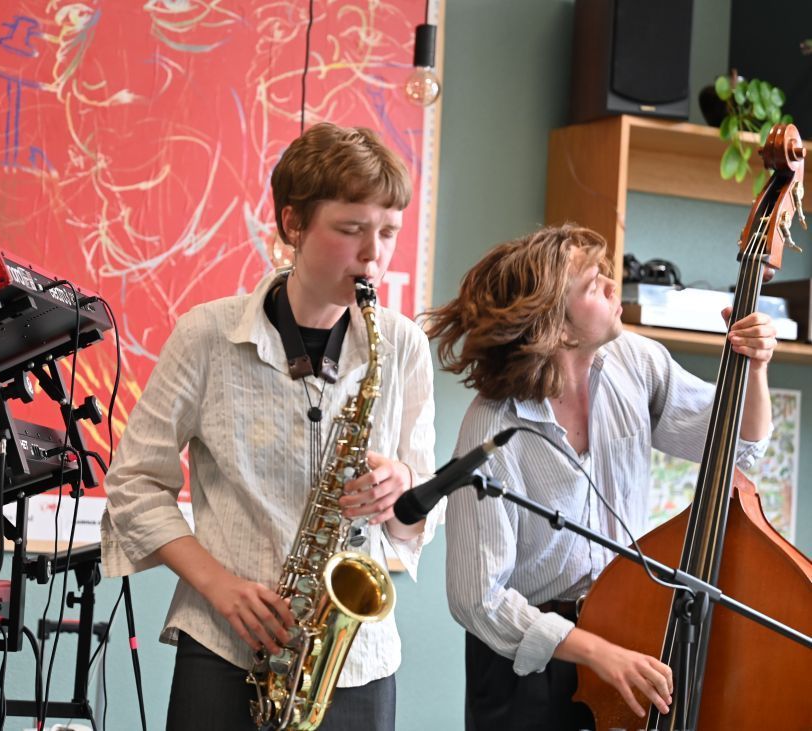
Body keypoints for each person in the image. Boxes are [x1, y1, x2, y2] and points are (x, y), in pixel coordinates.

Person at [100, 122, 437, 730]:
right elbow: (133, 484)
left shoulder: (404, 345)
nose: (374, 254)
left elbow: (419, 519)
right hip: (224, 646)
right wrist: (219, 586)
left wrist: (402, 488)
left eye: (388, 232)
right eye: (351, 229)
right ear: (293, 223)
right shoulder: (206, 334)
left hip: (353, 662)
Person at [423, 224, 776, 731]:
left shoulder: (637, 361)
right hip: (527, 663)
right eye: (593, 285)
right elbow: (476, 598)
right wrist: (596, 652)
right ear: (557, 327)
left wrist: (754, 367)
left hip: (623, 629)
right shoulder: (493, 426)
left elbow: (737, 448)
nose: (614, 287)